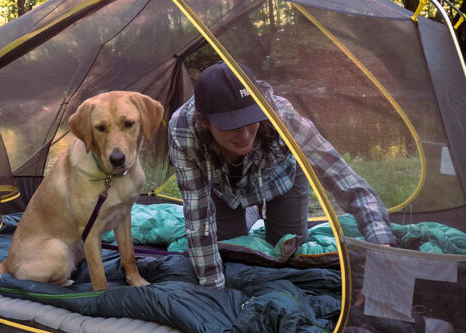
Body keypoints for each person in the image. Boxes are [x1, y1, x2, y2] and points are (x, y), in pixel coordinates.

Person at [168, 61, 396, 289]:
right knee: (233, 258)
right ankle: (249, 214)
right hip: (224, 191)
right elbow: (198, 216)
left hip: (281, 179)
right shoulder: (182, 132)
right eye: (232, 125)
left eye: (250, 120)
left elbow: (345, 180)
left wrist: (382, 251)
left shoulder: (281, 113)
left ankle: (257, 215)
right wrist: (214, 289)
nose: (245, 134)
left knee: (290, 254)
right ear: (204, 121)